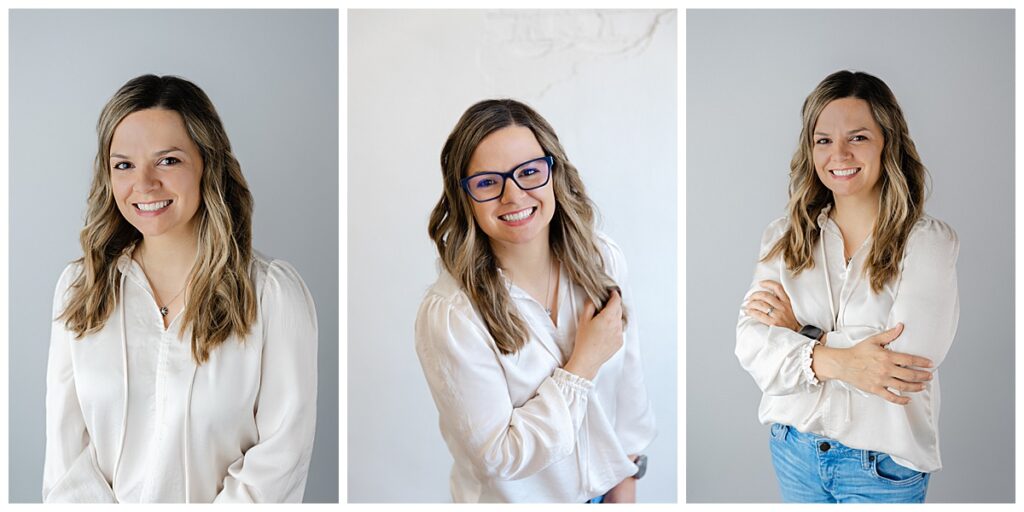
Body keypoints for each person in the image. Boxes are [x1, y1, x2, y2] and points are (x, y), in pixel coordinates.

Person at [43, 75, 318, 503]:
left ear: (207, 163)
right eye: (124, 164)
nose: (145, 183)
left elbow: (280, 461)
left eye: (168, 161)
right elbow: (65, 463)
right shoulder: (79, 290)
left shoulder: (271, 296)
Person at [415, 99, 656, 503]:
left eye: (529, 172)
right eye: (489, 182)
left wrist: (624, 487)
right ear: (465, 196)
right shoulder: (452, 316)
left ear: (553, 173)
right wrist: (582, 365)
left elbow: (628, 401)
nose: (513, 195)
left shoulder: (603, 262)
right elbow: (500, 455)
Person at [735, 70, 959, 503]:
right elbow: (750, 346)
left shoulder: (927, 241)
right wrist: (847, 358)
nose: (838, 153)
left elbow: (903, 369)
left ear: (886, 143)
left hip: (881, 467)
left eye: (857, 137)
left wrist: (801, 333)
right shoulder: (783, 237)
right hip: (794, 451)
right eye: (823, 140)